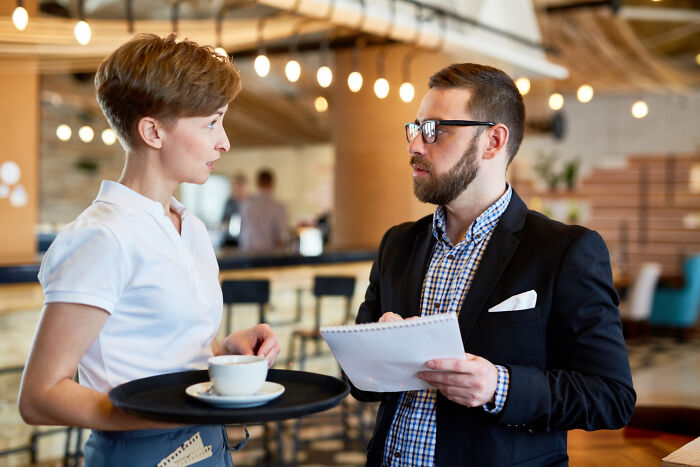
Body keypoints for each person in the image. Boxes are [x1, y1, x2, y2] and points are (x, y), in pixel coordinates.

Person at [351, 63, 636, 466]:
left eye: (436, 130)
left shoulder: (565, 251)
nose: (414, 145)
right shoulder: (397, 243)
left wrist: (499, 387)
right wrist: (376, 356)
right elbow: (361, 385)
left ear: (493, 141)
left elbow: (611, 397)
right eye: (414, 129)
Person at [18, 33, 280, 466]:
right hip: (138, 454)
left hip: (210, 446)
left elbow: (173, 354)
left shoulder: (190, 228)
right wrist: (158, 418)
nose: (224, 142)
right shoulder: (102, 236)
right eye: (211, 123)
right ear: (153, 131)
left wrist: (225, 354)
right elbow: (40, 396)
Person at [238, 168, 288, 252]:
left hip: (248, 252)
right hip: (269, 255)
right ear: (273, 184)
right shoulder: (279, 207)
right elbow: (281, 235)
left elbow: (242, 230)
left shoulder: (246, 205)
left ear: (257, 183)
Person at [220, 172, 248, 246]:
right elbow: (223, 222)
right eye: (234, 185)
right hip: (229, 240)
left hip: (245, 241)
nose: (236, 189)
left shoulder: (249, 203)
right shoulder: (229, 202)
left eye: (239, 185)